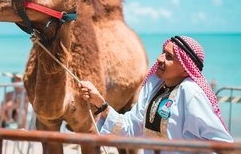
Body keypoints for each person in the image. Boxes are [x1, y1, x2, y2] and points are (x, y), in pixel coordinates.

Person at [78, 36, 233, 153]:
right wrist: (100, 102)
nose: (159, 59)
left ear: (187, 68)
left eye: (169, 57)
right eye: (163, 53)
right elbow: (131, 128)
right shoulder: (154, 86)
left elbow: (222, 144)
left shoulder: (190, 93)